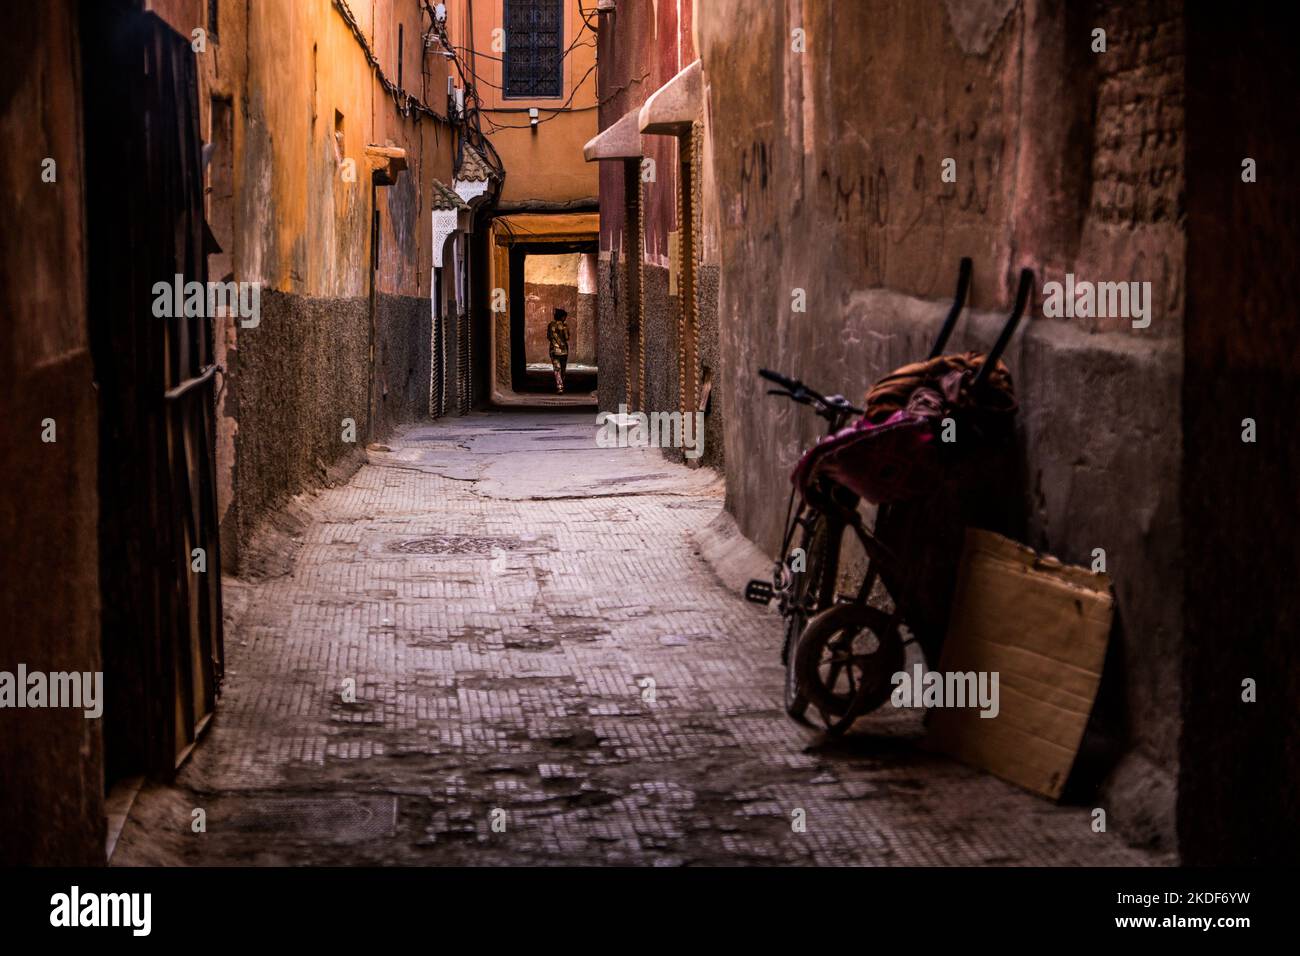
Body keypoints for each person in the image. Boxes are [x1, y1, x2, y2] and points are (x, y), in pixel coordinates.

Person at [546, 307, 570, 393]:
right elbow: (567, 337)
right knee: (563, 369)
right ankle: (561, 383)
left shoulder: (550, 325)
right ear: (562, 317)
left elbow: (548, 337)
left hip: (554, 350)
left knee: (557, 369)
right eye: (564, 317)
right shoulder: (564, 325)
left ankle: (559, 386)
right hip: (564, 350)